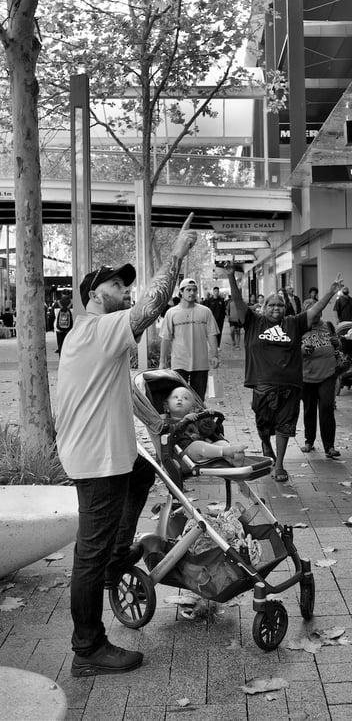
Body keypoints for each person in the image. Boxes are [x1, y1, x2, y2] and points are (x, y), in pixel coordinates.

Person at [55, 214, 197, 677]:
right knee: (89, 551)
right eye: (118, 284)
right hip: (95, 458)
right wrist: (175, 256)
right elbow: (151, 308)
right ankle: (88, 649)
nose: (126, 290)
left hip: (109, 452)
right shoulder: (98, 328)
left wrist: (161, 422)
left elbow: (129, 390)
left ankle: (118, 559)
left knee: (141, 472)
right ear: (97, 294)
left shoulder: (102, 340)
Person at [226, 265, 343, 482]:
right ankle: (265, 444)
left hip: (290, 385)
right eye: (271, 305)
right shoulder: (254, 321)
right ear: (264, 307)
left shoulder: (293, 323)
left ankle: (278, 465)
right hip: (262, 384)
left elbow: (316, 310)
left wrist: (330, 291)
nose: (276, 308)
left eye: (280, 305)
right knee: (263, 425)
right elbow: (238, 301)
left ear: (285, 308)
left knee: (285, 424)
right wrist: (231, 277)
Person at [159, 278, 219, 401]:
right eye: (188, 290)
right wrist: (162, 361)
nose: (192, 293)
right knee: (179, 399)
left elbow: (212, 334)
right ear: (181, 292)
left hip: (201, 363)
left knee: (198, 400)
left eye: (194, 290)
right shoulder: (171, 313)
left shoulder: (205, 311)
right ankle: (183, 420)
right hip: (179, 363)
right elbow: (165, 338)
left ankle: (197, 420)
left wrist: (215, 355)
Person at [163, 386, 247, 466]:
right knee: (198, 445)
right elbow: (171, 433)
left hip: (204, 451)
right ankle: (228, 451)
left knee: (221, 442)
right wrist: (184, 421)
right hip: (184, 454)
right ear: (167, 405)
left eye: (185, 398)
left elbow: (207, 431)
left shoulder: (195, 418)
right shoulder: (167, 423)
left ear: (192, 407)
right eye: (175, 397)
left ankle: (233, 458)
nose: (180, 399)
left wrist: (208, 417)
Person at [301, 312, 340, 458]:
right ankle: (309, 441)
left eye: (318, 312)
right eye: (312, 313)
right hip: (307, 376)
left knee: (326, 408)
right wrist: (302, 350)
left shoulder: (328, 326)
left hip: (328, 374)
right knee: (309, 409)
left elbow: (337, 345)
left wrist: (337, 342)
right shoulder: (300, 327)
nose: (315, 315)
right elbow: (290, 350)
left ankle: (329, 446)